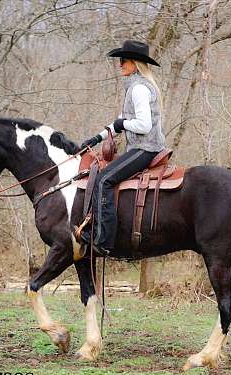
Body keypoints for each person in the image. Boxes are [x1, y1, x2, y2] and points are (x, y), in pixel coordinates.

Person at [79, 40, 166, 255]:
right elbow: (121, 119)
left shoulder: (138, 89)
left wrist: (123, 125)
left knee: (103, 180)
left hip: (146, 148)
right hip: (142, 147)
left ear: (135, 63)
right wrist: (96, 138)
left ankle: (103, 240)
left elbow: (143, 125)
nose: (120, 64)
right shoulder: (136, 87)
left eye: (123, 60)